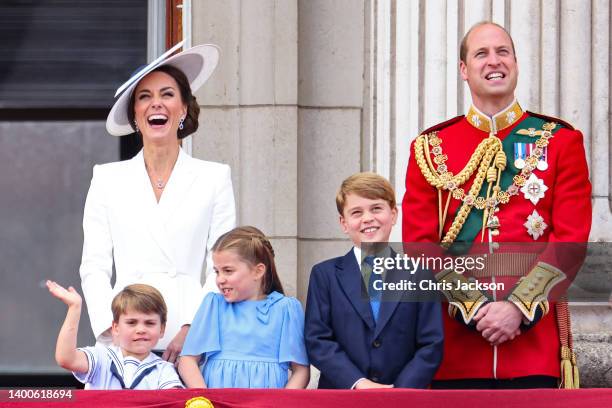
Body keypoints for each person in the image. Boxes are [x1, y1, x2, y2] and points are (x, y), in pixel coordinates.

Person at [402, 22, 591, 388]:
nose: (495, 61)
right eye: (482, 53)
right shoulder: (430, 148)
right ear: (463, 69)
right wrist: (477, 309)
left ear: (516, 64)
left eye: (503, 51)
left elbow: (570, 241)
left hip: (533, 351)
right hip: (453, 354)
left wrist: (517, 309)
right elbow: (419, 244)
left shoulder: (560, 141)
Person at [79, 42, 236, 363]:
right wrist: (112, 330)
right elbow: (93, 266)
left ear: (183, 109)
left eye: (167, 95)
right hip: (124, 333)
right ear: (134, 114)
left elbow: (222, 267)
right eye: (145, 97)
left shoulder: (214, 177)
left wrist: (196, 327)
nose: (156, 104)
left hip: (190, 336)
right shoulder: (107, 178)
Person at [305, 172, 444, 389]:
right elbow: (318, 340)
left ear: (394, 214)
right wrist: (358, 383)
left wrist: (399, 391)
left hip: (402, 400)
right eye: (356, 212)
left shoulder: (419, 274)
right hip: (341, 397)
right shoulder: (325, 275)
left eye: (376, 208)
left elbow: (431, 344)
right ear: (343, 223)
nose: (368, 218)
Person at [178, 226, 310, 389]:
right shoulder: (214, 306)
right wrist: (205, 400)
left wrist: (281, 404)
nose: (220, 279)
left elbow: (301, 370)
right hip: (217, 403)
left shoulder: (286, 309)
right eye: (217, 271)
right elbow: (188, 360)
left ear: (258, 271)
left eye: (228, 271)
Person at [47, 281, 183, 389]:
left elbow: (173, 400)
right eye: (132, 322)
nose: (141, 329)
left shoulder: (164, 370)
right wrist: (74, 308)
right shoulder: (101, 358)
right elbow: (66, 359)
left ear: (162, 329)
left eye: (149, 323)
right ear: (116, 328)